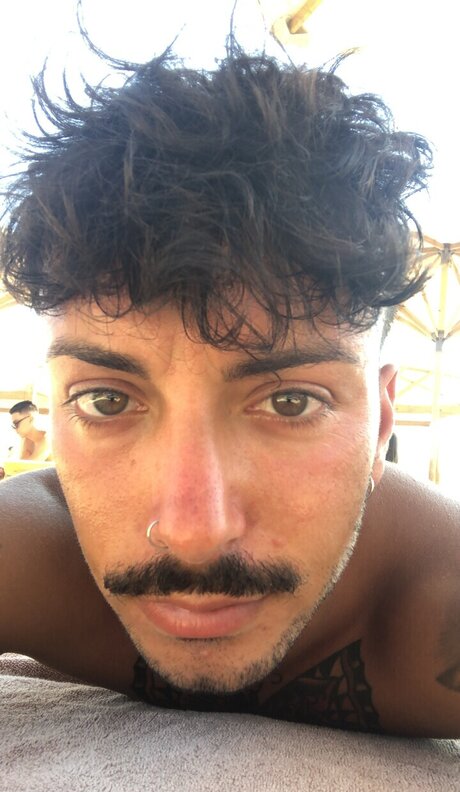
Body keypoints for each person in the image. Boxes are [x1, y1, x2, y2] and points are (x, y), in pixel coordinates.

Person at [0, 45, 459, 738]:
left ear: (381, 423)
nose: (194, 534)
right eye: (106, 400)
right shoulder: (32, 561)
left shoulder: (438, 612)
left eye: (290, 402)